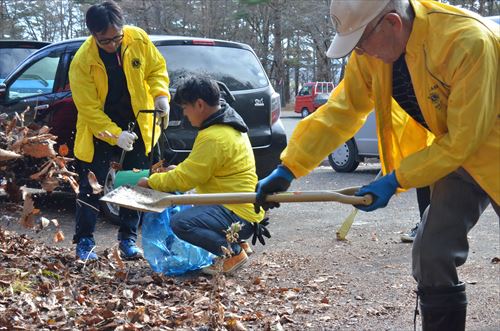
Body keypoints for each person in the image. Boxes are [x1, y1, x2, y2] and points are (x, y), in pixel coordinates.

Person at [254, 1, 499, 330]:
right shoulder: (373, 53)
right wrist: (290, 168)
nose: (359, 54)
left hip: (480, 145)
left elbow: (463, 140)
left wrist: (396, 178)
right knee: (432, 252)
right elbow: (344, 108)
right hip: (457, 155)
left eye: (361, 43)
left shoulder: (466, 42)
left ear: (393, 24)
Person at [69, 1, 170, 261]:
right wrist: (115, 135)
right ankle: (84, 242)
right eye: (105, 41)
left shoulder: (138, 39)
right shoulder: (82, 61)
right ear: (94, 35)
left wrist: (161, 96)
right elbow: (89, 109)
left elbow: (156, 69)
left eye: (117, 37)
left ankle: (127, 240)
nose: (113, 44)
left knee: (134, 184)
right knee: (91, 185)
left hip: (138, 125)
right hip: (99, 131)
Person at [137, 76, 266, 275]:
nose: (186, 115)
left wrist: (151, 182)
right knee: (194, 209)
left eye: (185, 109)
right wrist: (176, 170)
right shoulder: (229, 125)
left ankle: (233, 253)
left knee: (181, 222)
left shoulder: (214, 136)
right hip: (244, 208)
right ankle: (237, 243)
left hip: (236, 212)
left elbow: (187, 179)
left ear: (199, 104)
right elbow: (201, 167)